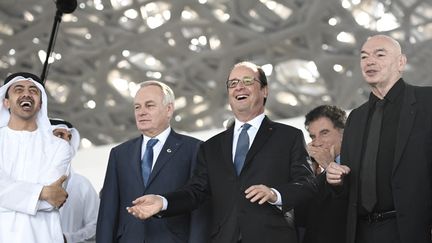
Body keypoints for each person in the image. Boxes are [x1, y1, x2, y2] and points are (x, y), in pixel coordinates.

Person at [127, 61, 317, 243]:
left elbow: (307, 184)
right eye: (233, 83)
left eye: (247, 81)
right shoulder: (211, 147)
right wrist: (163, 202)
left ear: (264, 90)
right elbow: (196, 191)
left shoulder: (288, 136)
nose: (239, 87)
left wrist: (275, 194)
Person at [326, 34, 432, 243]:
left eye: (379, 54)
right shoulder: (356, 117)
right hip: (362, 232)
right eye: (364, 57)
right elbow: (351, 182)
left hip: (414, 229)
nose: (370, 61)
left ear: (401, 62)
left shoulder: (426, 102)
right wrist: (336, 180)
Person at [96, 80, 208, 243]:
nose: (141, 112)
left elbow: (199, 207)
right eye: (137, 107)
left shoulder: (194, 149)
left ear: (168, 109)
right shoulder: (119, 154)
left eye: (149, 105)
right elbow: (108, 212)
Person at [0, 72, 71, 242]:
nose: (26, 94)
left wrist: (9, 197)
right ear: (6, 101)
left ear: (40, 103)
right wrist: (42, 192)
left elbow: (53, 199)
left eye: (33, 90)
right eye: (18, 89)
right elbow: (47, 194)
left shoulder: (59, 146)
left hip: (43, 236)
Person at [295, 105, 347, 243]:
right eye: (312, 136)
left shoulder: (358, 163)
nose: (317, 142)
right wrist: (309, 173)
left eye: (324, 133)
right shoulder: (315, 173)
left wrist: (329, 165)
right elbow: (301, 218)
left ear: (343, 133)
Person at [50, 118, 99, 243]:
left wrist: (69, 238)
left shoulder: (82, 185)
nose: (66, 141)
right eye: (60, 135)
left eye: (69, 137)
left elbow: (97, 225)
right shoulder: (25, 181)